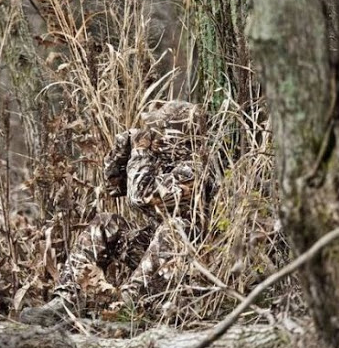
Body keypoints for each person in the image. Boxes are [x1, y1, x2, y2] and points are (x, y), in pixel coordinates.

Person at [21, 101, 209, 325]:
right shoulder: (163, 162)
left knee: (175, 228)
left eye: (158, 133)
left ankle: (127, 309)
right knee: (106, 222)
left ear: (178, 138)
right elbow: (114, 188)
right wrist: (123, 150)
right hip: (156, 257)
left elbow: (140, 196)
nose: (153, 139)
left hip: (191, 263)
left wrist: (140, 151)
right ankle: (65, 302)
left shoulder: (193, 170)